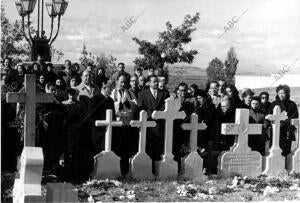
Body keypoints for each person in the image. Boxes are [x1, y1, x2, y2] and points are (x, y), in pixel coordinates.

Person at [137, 75, 169, 176]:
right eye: (154, 82)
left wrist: (157, 114)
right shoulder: (142, 93)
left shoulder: (164, 93)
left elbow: (166, 106)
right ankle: (147, 170)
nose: (156, 83)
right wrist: (151, 114)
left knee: (158, 148)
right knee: (148, 147)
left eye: (157, 81)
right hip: (147, 124)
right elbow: (141, 106)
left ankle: (157, 170)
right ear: (149, 83)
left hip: (159, 124)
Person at [110, 74, 138, 175]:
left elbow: (135, 106)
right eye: (121, 82)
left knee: (127, 147)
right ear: (116, 81)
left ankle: (126, 169)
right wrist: (120, 104)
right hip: (118, 124)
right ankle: (117, 170)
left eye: (125, 82)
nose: (123, 84)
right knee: (118, 147)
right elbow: (111, 104)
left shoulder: (130, 93)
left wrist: (128, 103)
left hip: (128, 124)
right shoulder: (113, 92)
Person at [268, 84, 299, 156]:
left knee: (286, 151)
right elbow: (269, 116)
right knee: (274, 151)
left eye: (283, 93)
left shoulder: (292, 104)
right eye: (279, 93)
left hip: (287, 130)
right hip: (276, 130)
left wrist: (286, 122)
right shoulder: (274, 104)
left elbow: (295, 116)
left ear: (287, 94)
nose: (281, 95)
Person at [172, 82, 197, 173]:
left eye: (185, 90)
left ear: (187, 90)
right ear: (178, 90)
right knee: (176, 149)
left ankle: (186, 169)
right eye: (181, 90)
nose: (183, 92)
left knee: (185, 149)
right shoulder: (175, 100)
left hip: (187, 127)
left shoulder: (192, 100)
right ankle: (176, 168)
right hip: (176, 128)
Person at [194, 89, 217, 174]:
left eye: (200, 98)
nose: (198, 100)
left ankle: (206, 169)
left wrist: (204, 121)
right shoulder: (199, 106)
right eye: (197, 98)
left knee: (206, 152)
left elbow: (209, 120)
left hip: (207, 133)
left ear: (205, 98)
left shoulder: (210, 107)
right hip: (199, 132)